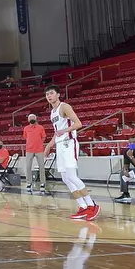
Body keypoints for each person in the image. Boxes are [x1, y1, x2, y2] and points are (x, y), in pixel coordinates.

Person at [44, 85, 99, 220]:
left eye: (51, 93)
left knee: (72, 176)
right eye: (47, 94)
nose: (49, 96)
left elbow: (78, 123)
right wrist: (49, 145)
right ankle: (83, 207)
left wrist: (65, 131)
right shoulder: (52, 112)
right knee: (65, 178)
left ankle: (92, 205)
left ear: (58, 94)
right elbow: (57, 132)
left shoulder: (64, 106)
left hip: (69, 143)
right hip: (60, 145)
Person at [23, 114, 47, 193]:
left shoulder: (40, 127)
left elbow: (43, 137)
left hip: (39, 150)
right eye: (30, 118)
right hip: (29, 150)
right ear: (28, 120)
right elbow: (26, 137)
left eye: (33, 118)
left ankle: (42, 183)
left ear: (36, 119)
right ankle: (29, 183)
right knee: (28, 167)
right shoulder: (26, 128)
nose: (32, 119)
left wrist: (39, 143)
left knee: (41, 167)